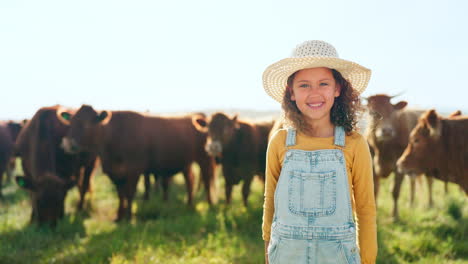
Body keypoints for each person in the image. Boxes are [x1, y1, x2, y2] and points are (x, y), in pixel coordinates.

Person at [261, 40, 377, 264]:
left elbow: (366, 210)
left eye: (323, 83)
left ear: (337, 89)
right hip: (286, 256)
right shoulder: (280, 141)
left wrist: (369, 260)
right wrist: (268, 253)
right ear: (291, 92)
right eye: (304, 85)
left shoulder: (354, 144)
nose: (314, 93)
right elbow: (270, 203)